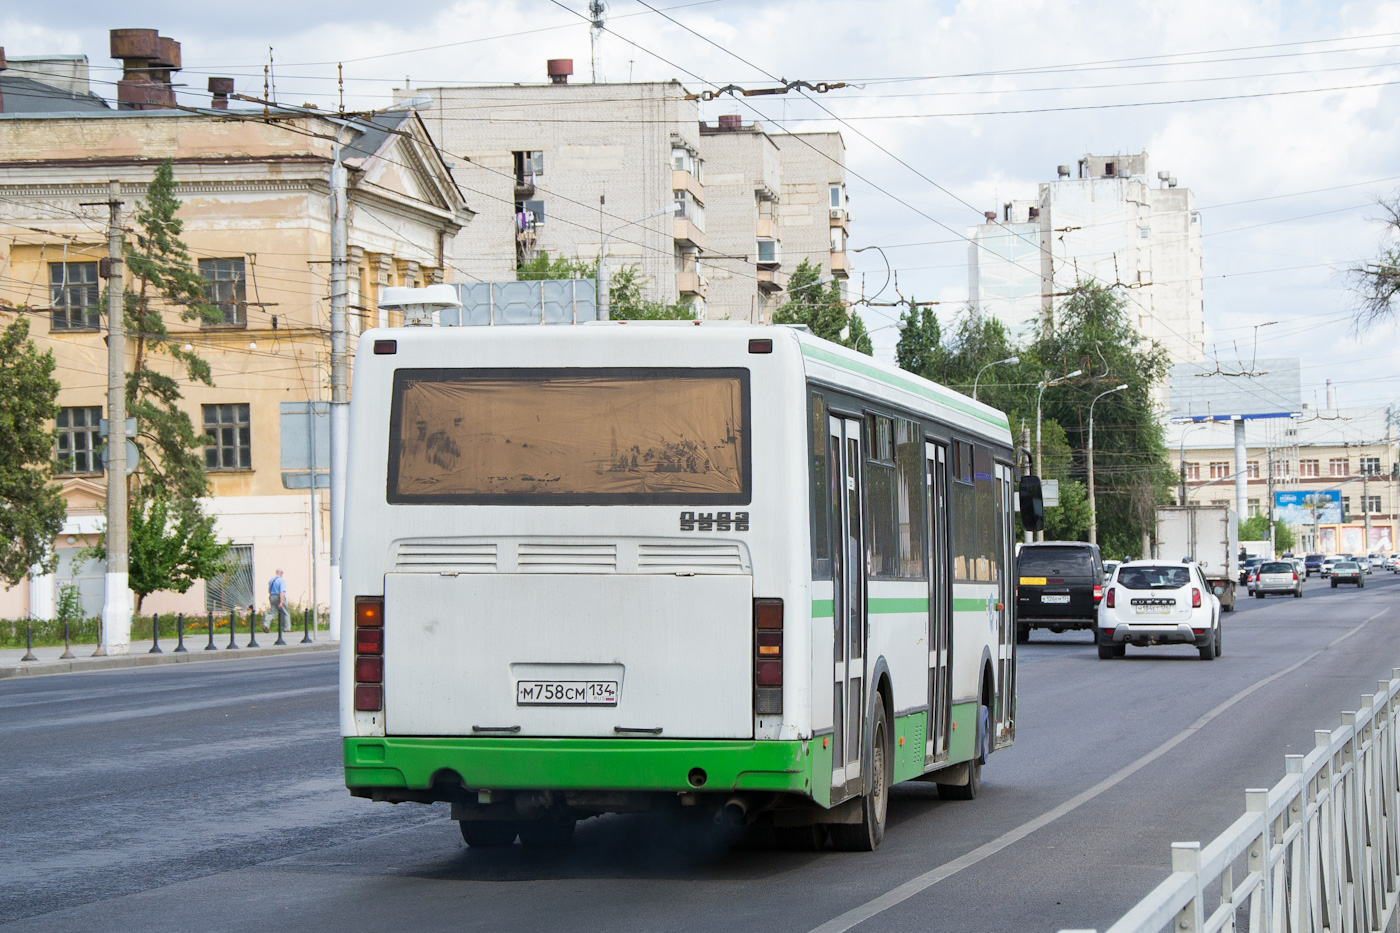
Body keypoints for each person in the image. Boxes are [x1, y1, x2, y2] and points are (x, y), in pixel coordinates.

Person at [265, 568, 290, 633]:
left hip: (272, 596)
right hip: (279, 596)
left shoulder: (271, 580)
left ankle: (265, 625)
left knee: (272, 612)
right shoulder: (281, 581)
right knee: (286, 612)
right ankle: (287, 628)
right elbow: (281, 591)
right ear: (281, 573)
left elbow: (269, 590)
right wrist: (281, 601)